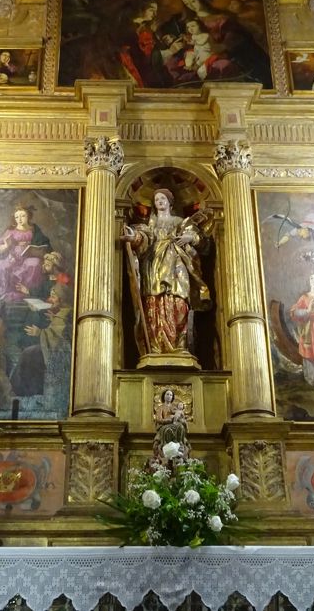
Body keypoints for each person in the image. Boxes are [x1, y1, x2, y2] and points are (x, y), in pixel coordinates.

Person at [121, 189, 211, 356]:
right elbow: (143, 238)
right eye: (157, 199)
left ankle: (180, 345)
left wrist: (190, 238)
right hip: (154, 265)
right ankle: (156, 346)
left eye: (163, 198)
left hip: (177, 264)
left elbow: (201, 241)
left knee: (179, 300)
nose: (160, 201)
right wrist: (134, 237)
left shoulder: (179, 222)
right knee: (153, 302)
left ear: (170, 202)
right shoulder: (150, 225)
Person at [0, 206, 50, 302]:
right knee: (2, 265)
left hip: (28, 257)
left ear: (28, 216)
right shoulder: (11, 230)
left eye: (23, 216)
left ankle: (27, 291)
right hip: (14, 258)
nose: (19, 219)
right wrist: (6, 246)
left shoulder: (34, 229)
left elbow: (43, 242)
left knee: (35, 263)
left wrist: (35, 247)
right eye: (17, 217)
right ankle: (7, 293)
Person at [152, 388, 190, 461]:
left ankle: (179, 445)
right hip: (164, 426)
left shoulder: (174, 407)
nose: (169, 396)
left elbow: (179, 416)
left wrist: (179, 418)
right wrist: (168, 420)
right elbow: (158, 419)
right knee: (168, 429)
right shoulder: (160, 408)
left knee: (181, 427)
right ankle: (166, 447)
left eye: (171, 395)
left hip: (175, 424)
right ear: (164, 396)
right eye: (167, 394)